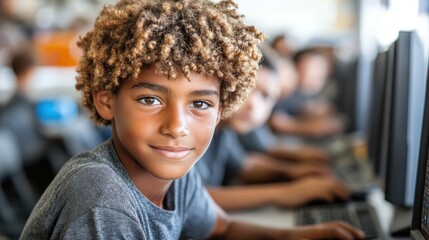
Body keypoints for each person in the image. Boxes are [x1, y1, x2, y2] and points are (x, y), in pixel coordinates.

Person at [20, 0, 365, 239]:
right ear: (106, 101)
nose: (177, 127)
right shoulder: (101, 198)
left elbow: (221, 229)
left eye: (199, 104)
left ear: (221, 110)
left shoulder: (172, 174)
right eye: (150, 99)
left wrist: (300, 235)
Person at [196, 54, 351, 211]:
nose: (253, 105)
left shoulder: (224, 132)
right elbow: (194, 199)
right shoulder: (193, 130)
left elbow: (245, 166)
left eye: (266, 96)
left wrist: (292, 173)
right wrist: (285, 193)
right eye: (249, 89)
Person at [269, 46, 345, 139]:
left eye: (323, 69)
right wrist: (312, 128)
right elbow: (276, 121)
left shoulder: (305, 93)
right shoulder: (286, 88)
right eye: (315, 67)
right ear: (298, 64)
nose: (319, 74)